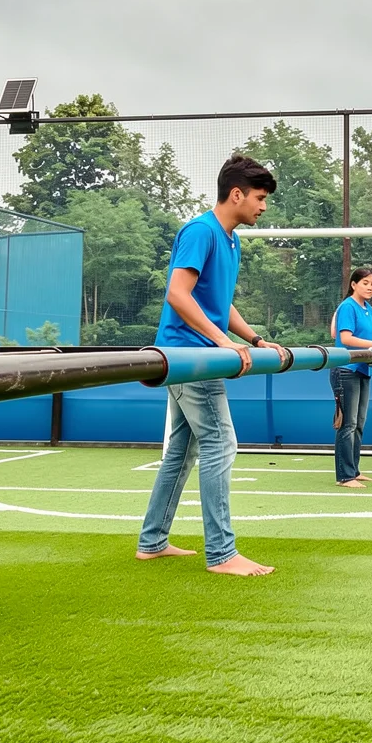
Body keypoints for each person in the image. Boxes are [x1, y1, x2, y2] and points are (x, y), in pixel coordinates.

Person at [136, 154, 287, 577]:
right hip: (190, 357)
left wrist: (253, 339)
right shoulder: (200, 232)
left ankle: (152, 542)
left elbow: (218, 303)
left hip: (200, 354)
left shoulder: (231, 238)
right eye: (259, 198)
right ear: (235, 194)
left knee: (182, 452)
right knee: (222, 443)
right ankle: (222, 554)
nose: (263, 206)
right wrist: (223, 343)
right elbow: (178, 295)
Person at [330, 268, 372, 489]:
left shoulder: (367, 309)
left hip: (363, 370)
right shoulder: (348, 305)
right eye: (365, 282)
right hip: (345, 370)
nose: (369, 287)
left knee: (358, 423)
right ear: (354, 284)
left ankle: (354, 471)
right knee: (347, 425)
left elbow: (358, 338)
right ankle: (345, 476)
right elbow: (345, 337)